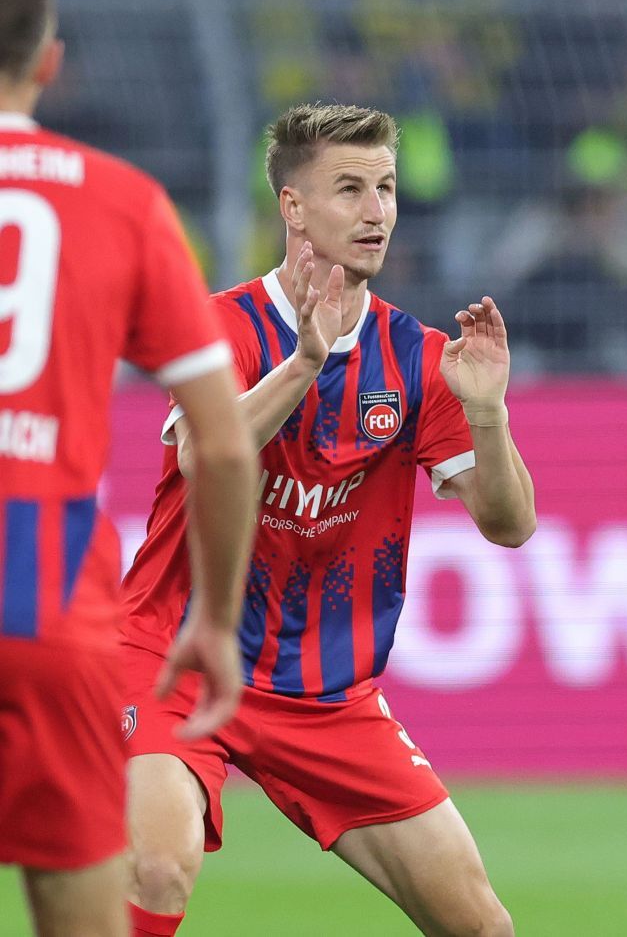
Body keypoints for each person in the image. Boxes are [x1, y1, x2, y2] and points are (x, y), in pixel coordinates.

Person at [118, 104, 538, 937]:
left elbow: (510, 525)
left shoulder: (417, 357)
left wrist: (486, 413)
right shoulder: (219, 325)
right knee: (158, 867)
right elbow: (209, 458)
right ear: (293, 207)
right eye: (349, 188)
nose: (377, 210)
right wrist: (307, 362)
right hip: (177, 658)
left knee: (482, 926)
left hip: (325, 695)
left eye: (385, 187)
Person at [0, 0, 258, 937]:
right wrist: (217, 617)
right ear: (51, 60)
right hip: (52, 604)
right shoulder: (122, 202)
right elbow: (225, 443)